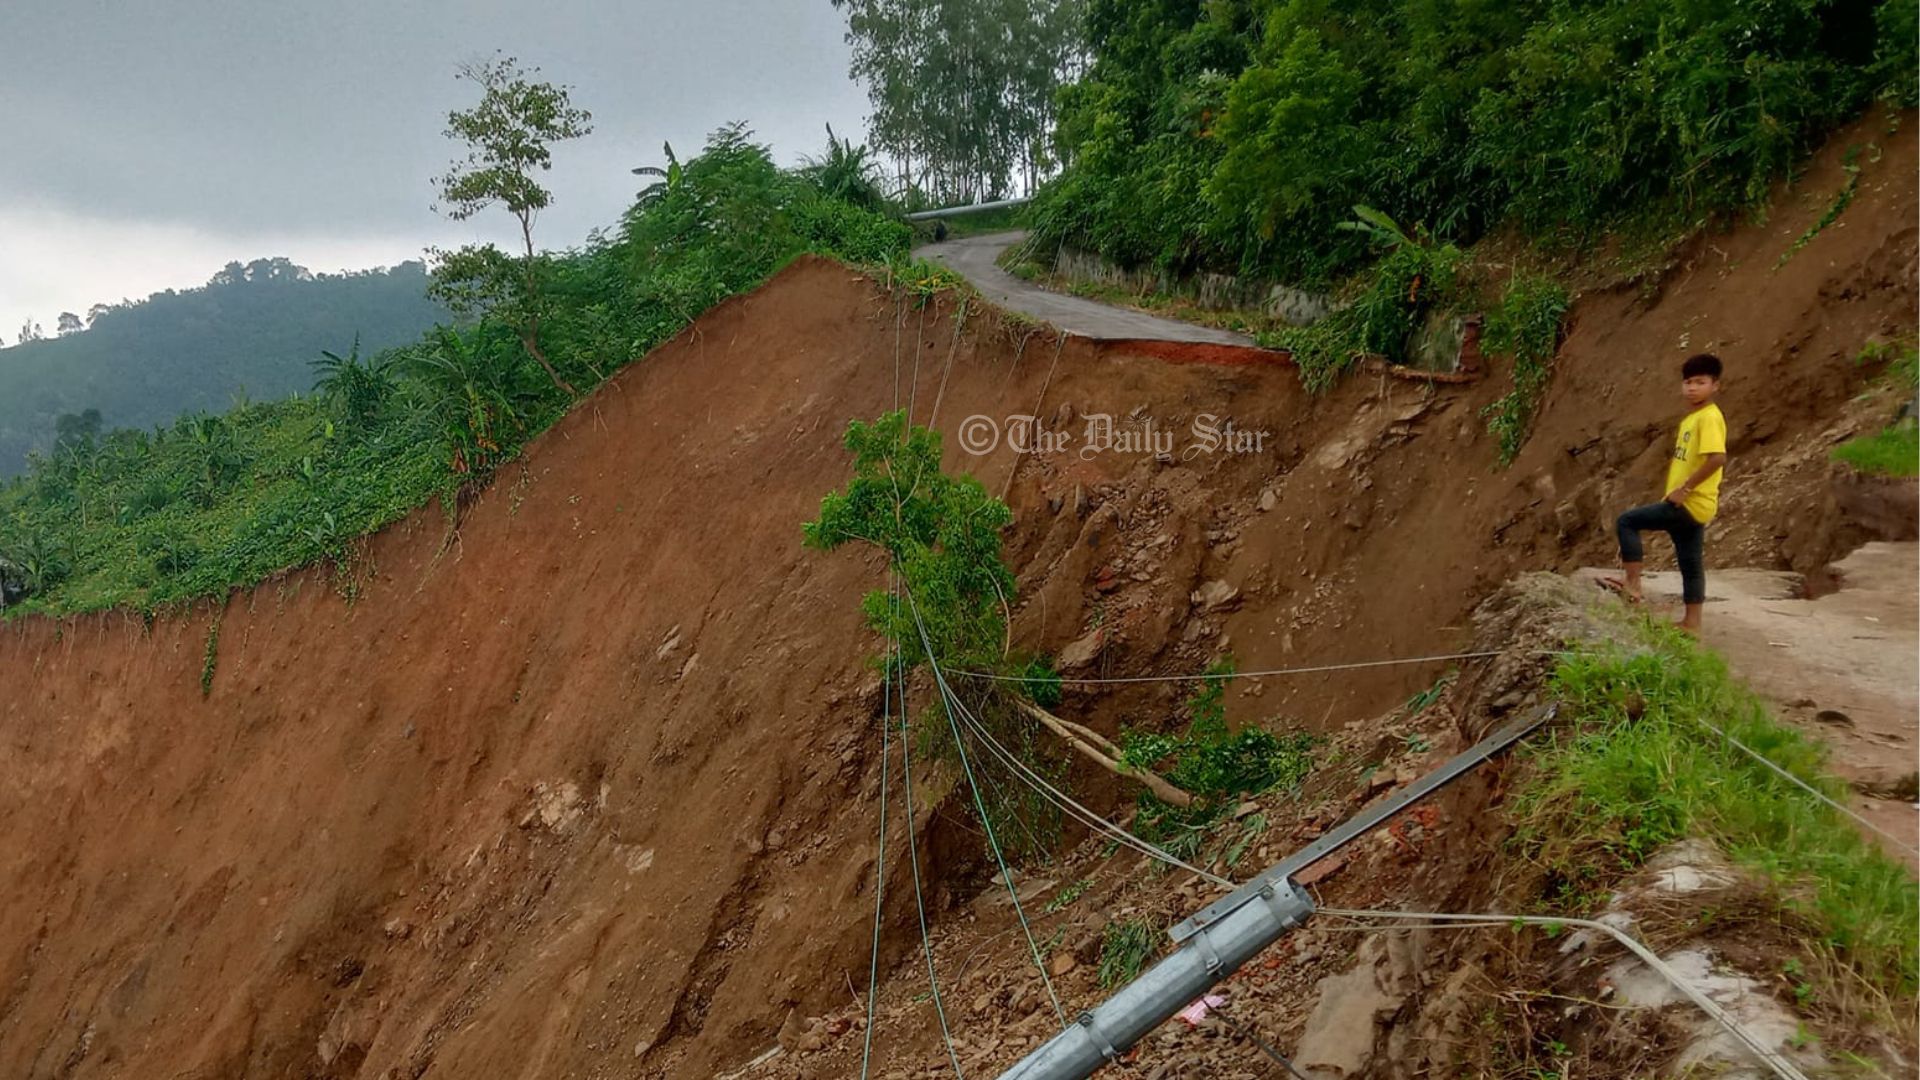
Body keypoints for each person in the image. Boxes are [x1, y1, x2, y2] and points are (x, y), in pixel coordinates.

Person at [1605, 353, 1729, 633]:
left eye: (1700, 382)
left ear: (1715, 385)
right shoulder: (1694, 418)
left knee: (1627, 521)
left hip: (1689, 503)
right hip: (1698, 504)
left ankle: (1633, 585)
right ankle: (1692, 624)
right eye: (1688, 382)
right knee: (1690, 563)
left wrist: (1684, 489)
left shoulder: (1708, 418)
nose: (1692, 388)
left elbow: (1717, 458)